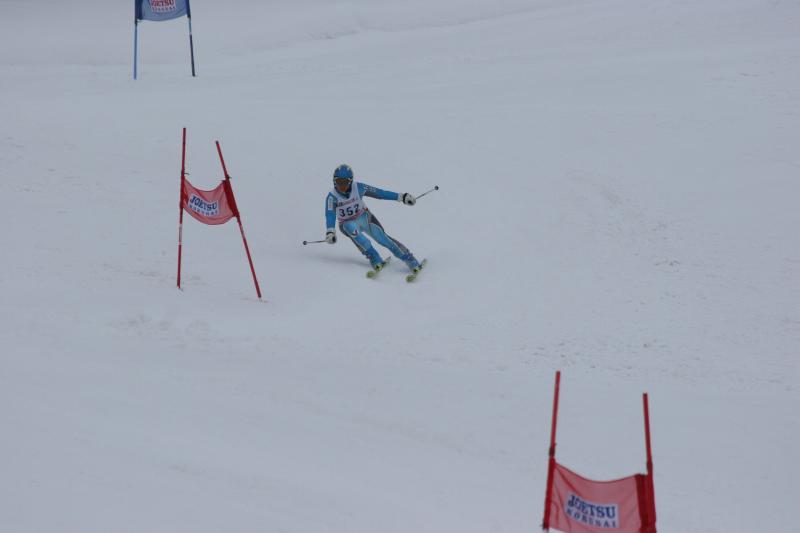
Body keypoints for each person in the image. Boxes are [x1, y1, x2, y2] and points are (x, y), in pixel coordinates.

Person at [325, 163, 422, 273]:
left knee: (382, 238)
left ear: (350, 181)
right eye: (338, 182)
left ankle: (409, 259)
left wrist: (402, 197)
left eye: (345, 182)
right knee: (357, 236)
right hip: (346, 223)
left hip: (364, 217)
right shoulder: (332, 197)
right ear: (334, 181)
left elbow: (380, 193)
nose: (341, 186)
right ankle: (374, 258)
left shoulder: (359, 187)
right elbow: (330, 214)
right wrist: (330, 231)